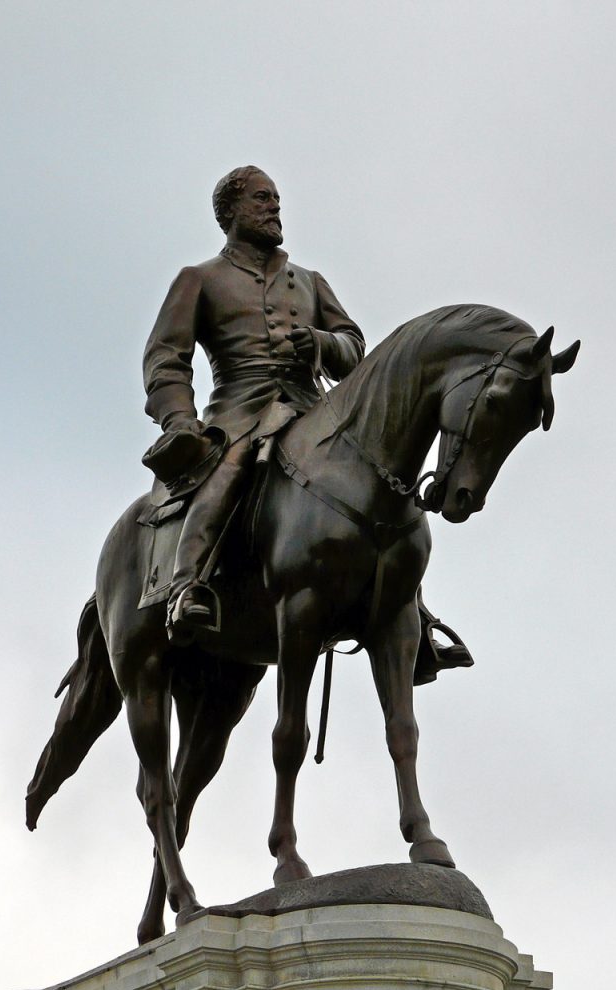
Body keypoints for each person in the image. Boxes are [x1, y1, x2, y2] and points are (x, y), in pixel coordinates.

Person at [143, 166, 471, 679]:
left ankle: (415, 618)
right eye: (260, 199)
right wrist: (180, 420)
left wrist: (321, 343)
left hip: (310, 409)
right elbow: (166, 357)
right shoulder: (199, 279)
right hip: (240, 411)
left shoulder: (311, 282)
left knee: (382, 484)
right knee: (229, 471)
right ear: (230, 212)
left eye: (276, 199)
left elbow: (356, 350)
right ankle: (188, 586)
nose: (274, 208)